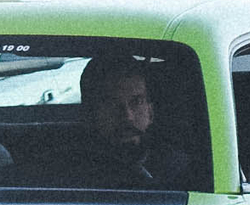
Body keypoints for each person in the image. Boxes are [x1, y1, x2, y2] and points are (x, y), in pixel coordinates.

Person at [52, 56, 186, 188]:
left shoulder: (180, 170)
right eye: (112, 104)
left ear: (150, 112)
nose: (127, 116)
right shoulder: (68, 173)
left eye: (136, 102)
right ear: (89, 114)